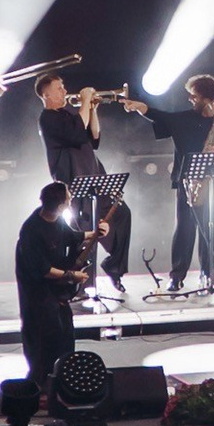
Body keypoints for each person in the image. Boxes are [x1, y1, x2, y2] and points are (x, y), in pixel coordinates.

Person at [36, 72, 138, 288]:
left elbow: (94, 137)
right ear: (46, 95)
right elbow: (74, 133)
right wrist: (84, 102)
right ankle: (84, 284)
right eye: (59, 88)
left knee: (122, 214)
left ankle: (114, 266)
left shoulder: (68, 115)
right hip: (74, 181)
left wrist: (92, 110)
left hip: (95, 177)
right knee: (86, 232)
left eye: (64, 87)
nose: (65, 91)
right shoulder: (48, 118)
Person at [148, 71, 214, 294]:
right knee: (184, 229)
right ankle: (177, 276)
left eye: (194, 95)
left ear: (206, 97)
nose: (190, 99)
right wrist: (140, 108)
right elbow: (160, 117)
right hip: (188, 183)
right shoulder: (184, 119)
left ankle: (209, 274)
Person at [13, 181, 83, 390]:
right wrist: (71, 276)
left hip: (56, 291)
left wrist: (94, 233)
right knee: (43, 338)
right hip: (37, 293)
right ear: (61, 205)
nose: (71, 199)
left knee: (65, 333)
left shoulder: (57, 220)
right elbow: (43, 270)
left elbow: (72, 236)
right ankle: (40, 383)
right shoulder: (32, 230)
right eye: (68, 198)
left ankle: (63, 377)